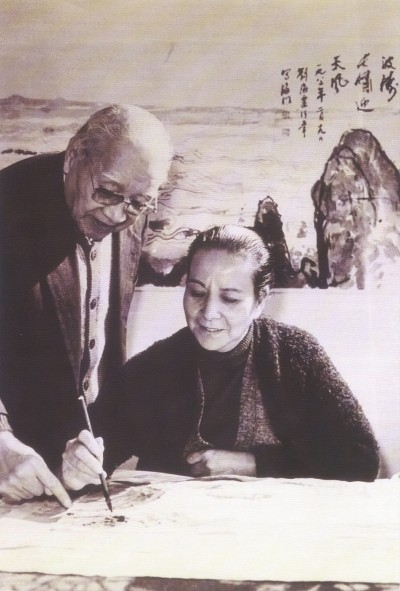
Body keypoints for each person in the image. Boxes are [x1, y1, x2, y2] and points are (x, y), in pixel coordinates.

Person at [62, 224, 380, 489]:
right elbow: (94, 447)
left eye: (229, 298)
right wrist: (78, 466)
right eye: (197, 293)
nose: (208, 312)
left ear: (260, 301)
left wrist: (252, 464)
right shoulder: (154, 367)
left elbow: (361, 459)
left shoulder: (296, 354)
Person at [0, 104, 173, 506]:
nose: (116, 215)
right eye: (106, 192)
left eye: (137, 203)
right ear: (75, 154)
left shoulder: (131, 201)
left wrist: (95, 440)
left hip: (75, 466)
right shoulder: (7, 207)